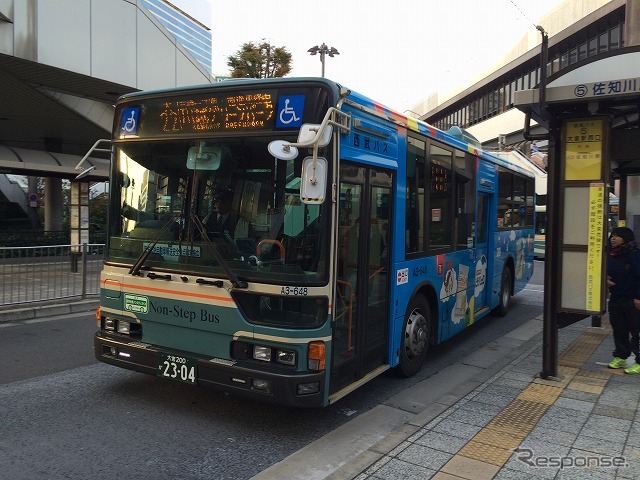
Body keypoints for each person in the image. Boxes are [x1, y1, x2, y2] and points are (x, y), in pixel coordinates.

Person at [607, 226, 640, 374]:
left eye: (617, 236)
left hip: (632, 300)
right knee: (619, 330)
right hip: (616, 297)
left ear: (626, 239)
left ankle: (639, 361)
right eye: (612, 236)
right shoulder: (611, 255)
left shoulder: (634, 255)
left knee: (637, 332)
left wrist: (638, 297)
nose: (613, 238)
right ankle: (621, 356)